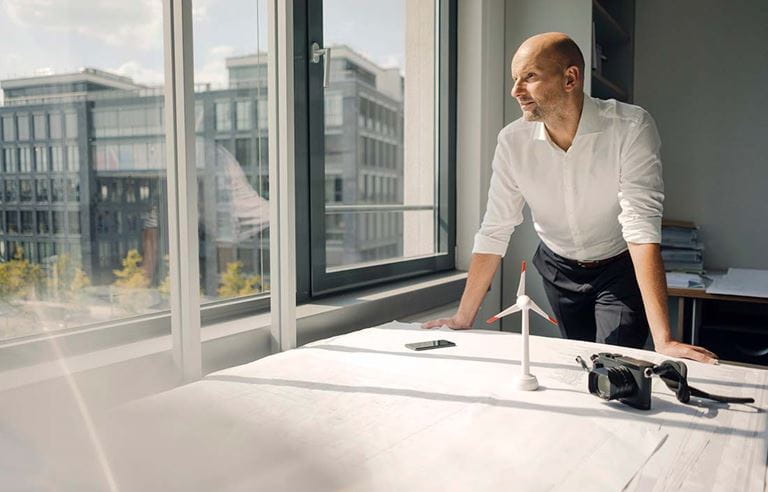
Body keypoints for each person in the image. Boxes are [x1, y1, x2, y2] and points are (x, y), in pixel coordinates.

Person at [423, 32, 717, 364]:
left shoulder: (630, 127)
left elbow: (641, 228)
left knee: (613, 365)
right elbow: (495, 228)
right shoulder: (512, 141)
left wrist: (664, 341)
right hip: (557, 268)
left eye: (529, 77)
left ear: (570, 78)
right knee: (579, 360)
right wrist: (463, 318)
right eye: (515, 79)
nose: (515, 91)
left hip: (617, 269)